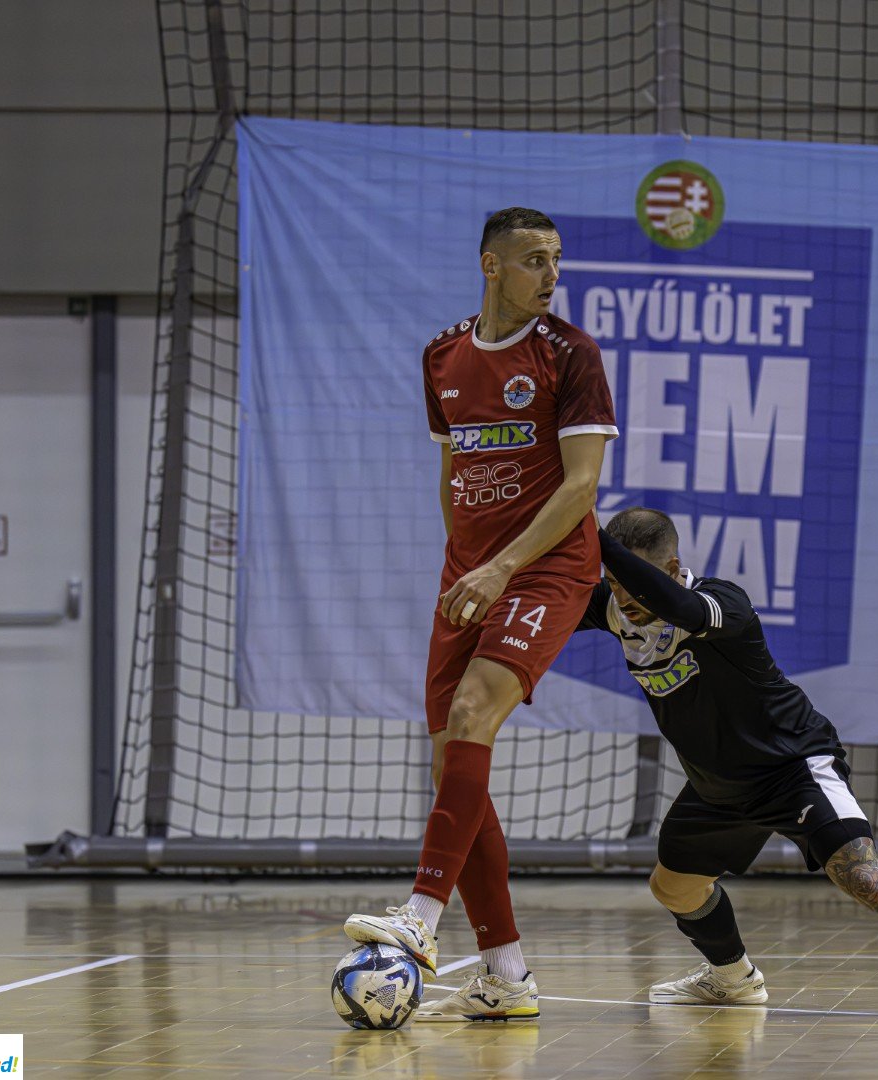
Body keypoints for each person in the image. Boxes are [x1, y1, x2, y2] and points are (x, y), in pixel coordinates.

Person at [573, 507, 878, 1016]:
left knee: (867, 879)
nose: (624, 596)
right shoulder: (614, 608)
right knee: (674, 885)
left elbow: (681, 610)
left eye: (633, 582)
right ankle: (733, 979)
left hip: (792, 767)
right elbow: (539, 602)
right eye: (614, 583)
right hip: (720, 786)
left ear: (671, 568)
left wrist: (598, 536)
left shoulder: (720, 601)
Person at [343, 208, 616, 1023]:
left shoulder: (571, 355)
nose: (551, 273)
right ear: (491, 265)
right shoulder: (442, 354)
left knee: (472, 714)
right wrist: (468, 563)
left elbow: (581, 488)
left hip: (547, 568)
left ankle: (420, 923)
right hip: (472, 573)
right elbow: (455, 468)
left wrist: (504, 566)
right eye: (534, 260)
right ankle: (506, 974)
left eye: (556, 260)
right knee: (450, 767)